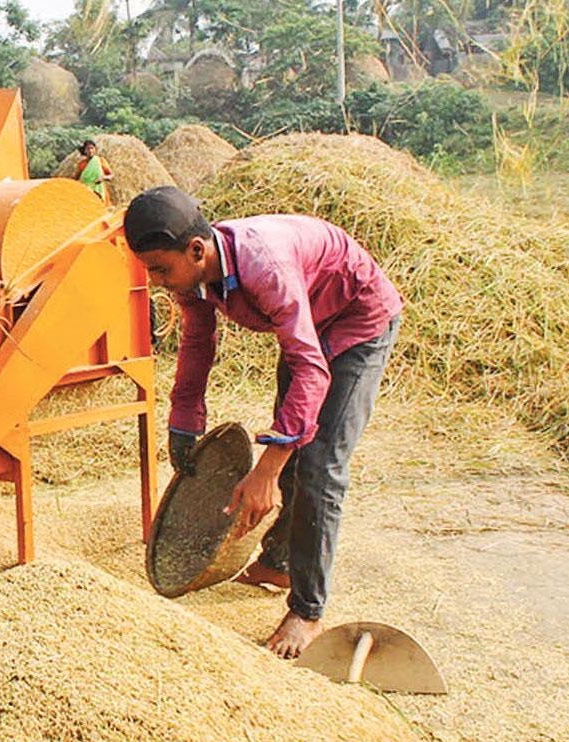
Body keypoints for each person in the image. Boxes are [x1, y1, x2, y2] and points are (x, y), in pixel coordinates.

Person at [123, 186, 403, 659]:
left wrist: (267, 469)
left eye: (160, 270)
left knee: (317, 466)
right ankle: (279, 563)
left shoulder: (263, 266)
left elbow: (311, 368)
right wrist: (184, 422)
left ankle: (308, 611)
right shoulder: (193, 279)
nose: (156, 281)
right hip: (309, 326)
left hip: (356, 323)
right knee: (291, 450)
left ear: (196, 249)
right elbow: (197, 344)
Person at [76, 139, 114, 203]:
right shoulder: (82, 164)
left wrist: (103, 178)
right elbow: (76, 179)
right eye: (88, 149)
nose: (90, 151)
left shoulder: (101, 161)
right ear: (85, 151)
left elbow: (111, 175)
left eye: (92, 148)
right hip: (86, 193)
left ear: (95, 149)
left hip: (99, 191)